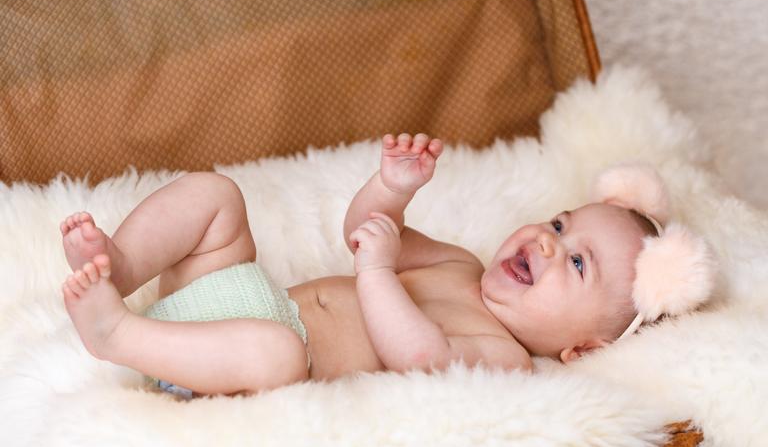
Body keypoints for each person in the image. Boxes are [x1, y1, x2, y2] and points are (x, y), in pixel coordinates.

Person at [59, 133, 713, 398]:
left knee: (280, 354)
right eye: (559, 224)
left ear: (582, 348)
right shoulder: (460, 264)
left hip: (231, 365)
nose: (545, 242)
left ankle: (116, 333)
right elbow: (367, 233)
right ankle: (119, 266)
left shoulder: (506, 358)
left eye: (575, 262)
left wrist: (376, 274)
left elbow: (421, 356)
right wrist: (392, 190)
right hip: (236, 296)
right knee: (215, 196)